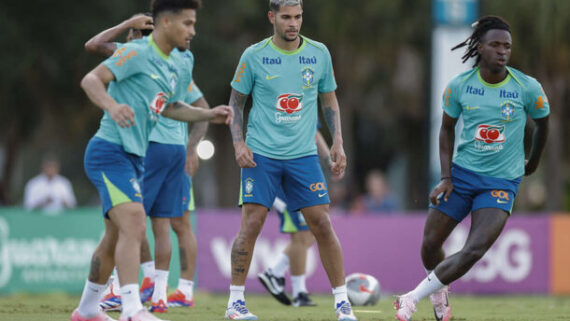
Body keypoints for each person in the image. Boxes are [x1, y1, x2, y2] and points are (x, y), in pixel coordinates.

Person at [72, 0, 232, 320]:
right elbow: (91, 80)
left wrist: (207, 114)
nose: (193, 31)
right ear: (167, 22)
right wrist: (111, 106)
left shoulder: (174, 65)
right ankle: (132, 308)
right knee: (134, 221)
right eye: (187, 23)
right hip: (109, 151)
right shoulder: (136, 51)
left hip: (135, 156)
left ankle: (88, 309)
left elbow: (171, 108)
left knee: (114, 235)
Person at [394, 15, 549, 321]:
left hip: (502, 182)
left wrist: (532, 161)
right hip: (462, 176)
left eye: (507, 46)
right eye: (495, 45)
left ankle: (411, 298)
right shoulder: (460, 86)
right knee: (429, 245)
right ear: (480, 47)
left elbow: (544, 124)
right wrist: (446, 177)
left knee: (474, 250)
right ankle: (439, 291)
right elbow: (446, 130)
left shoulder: (527, 87)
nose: (502, 51)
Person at [226, 1, 357, 320]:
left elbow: (329, 98)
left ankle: (342, 303)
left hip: (303, 156)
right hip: (262, 155)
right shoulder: (253, 56)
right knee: (252, 223)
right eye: (286, 17)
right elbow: (236, 102)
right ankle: (235, 302)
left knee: (322, 225)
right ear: (272, 17)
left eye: (297, 16)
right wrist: (238, 143)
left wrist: (337, 140)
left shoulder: (319, 53)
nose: (293, 23)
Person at [258, 131, 342, 307]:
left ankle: (276, 272)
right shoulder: (293, 108)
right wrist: (329, 161)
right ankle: (298, 292)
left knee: (310, 233)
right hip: (287, 179)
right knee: (301, 235)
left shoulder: (307, 107)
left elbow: (314, 134)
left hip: (297, 176)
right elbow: (314, 135)